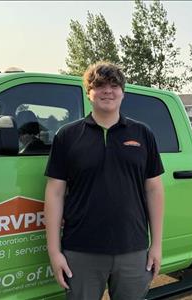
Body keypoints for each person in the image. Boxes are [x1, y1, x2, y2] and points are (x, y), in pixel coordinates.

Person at [44, 61, 165, 300]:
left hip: (133, 248)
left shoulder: (143, 134)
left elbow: (154, 190)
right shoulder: (67, 136)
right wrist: (54, 251)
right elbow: (55, 193)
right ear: (89, 93)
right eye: (99, 85)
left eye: (114, 85)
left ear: (123, 92)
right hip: (80, 251)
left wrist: (157, 245)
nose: (107, 91)